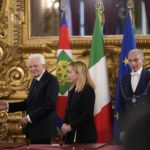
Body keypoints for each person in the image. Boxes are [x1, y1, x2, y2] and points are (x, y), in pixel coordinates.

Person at [0, 54, 59, 144]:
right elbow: (28, 103)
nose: (32, 69)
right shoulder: (35, 80)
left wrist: (28, 118)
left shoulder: (51, 80)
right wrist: (8, 106)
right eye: (30, 67)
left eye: (35, 66)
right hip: (33, 131)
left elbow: (49, 104)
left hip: (44, 132)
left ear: (43, 65)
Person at [61, 61, 97, 144]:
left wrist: (71, 127)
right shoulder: (72, 90)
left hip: (84, 136)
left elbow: (87, 114)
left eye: (70, 72)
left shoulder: (88, 90)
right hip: (70, 135)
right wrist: (65, 124)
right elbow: (68, 111)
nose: (68, 75)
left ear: (78, 73)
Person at [119, 49, 150, 141]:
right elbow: (122, 107)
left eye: (136, 60)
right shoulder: (123, 79)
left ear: (142, 60)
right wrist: (123, 129)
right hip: (130, 127)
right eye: (130, 60)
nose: (133, 63)